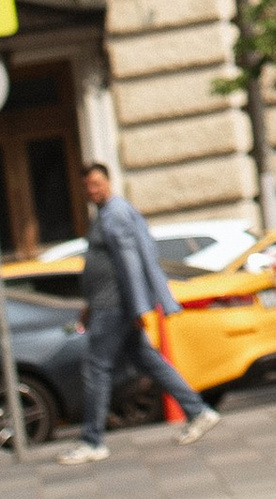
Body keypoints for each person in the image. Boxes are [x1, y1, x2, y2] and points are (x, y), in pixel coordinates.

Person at [58, 159, 214, 466]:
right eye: (88, 185)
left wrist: (136, 306)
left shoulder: (115, 213)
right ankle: (198, 410)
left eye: (97, 184)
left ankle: (92, 441)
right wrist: (89, 306)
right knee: (148, 360)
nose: (92, 190)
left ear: (108, 182)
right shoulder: (106, 214)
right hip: (108, 305)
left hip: (114, 307)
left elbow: (129, 262)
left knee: (97, 369)